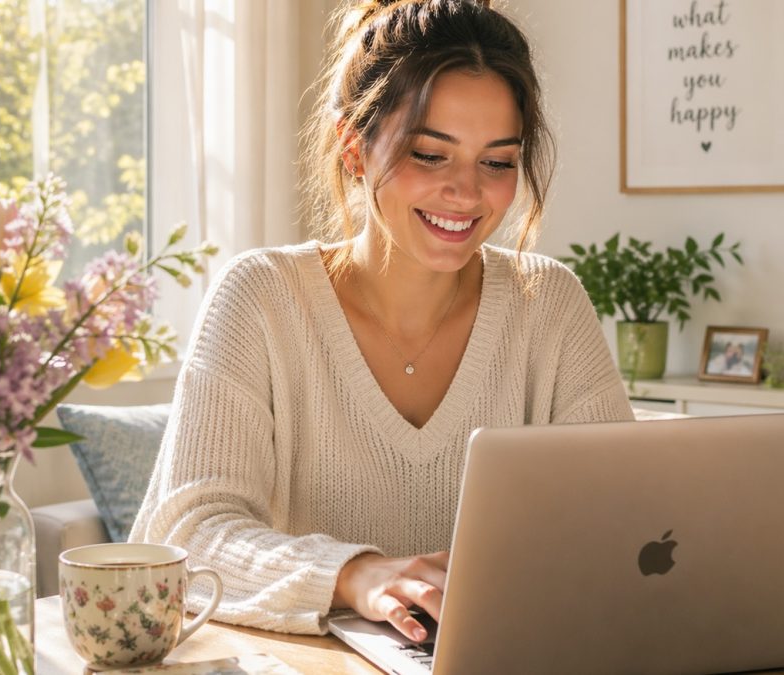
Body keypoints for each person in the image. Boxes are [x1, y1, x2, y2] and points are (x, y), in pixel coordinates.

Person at [130, 0, 633, 641]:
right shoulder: (259, 300)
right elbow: (188, 537)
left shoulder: (549, 304)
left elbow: (626, 520)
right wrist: (355, 575)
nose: (467, 192)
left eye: (498, 162)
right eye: (430, 154)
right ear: (354, 148)